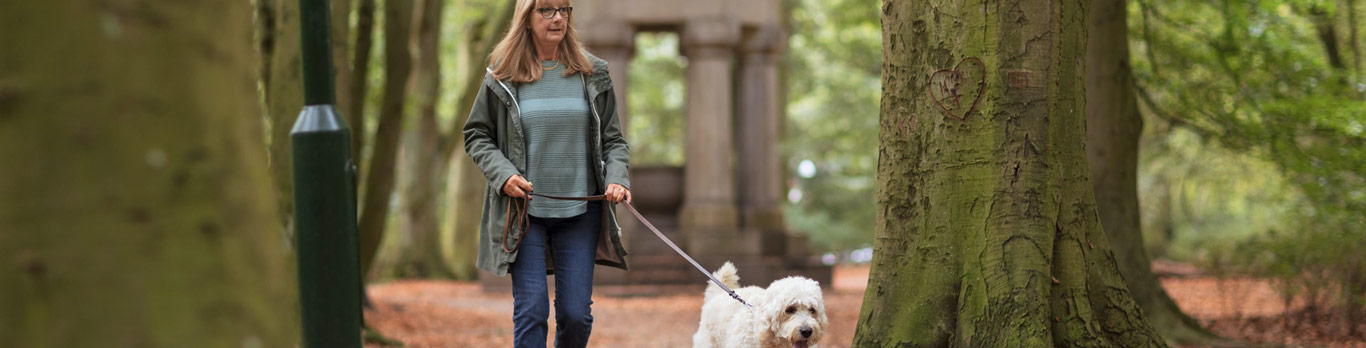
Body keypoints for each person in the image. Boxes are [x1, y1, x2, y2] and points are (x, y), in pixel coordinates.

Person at [462, 0, 630, 346]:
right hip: (524, 214)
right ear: (526, 18)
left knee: (576, 316)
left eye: (564, 10)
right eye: (547, 10)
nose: (558, 18)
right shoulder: (502, 74)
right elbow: (477, 134)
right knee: (532, 311)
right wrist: (504, 175)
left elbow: (614, 141)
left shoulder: (592, 72)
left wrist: (616, 178)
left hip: (580, 212)